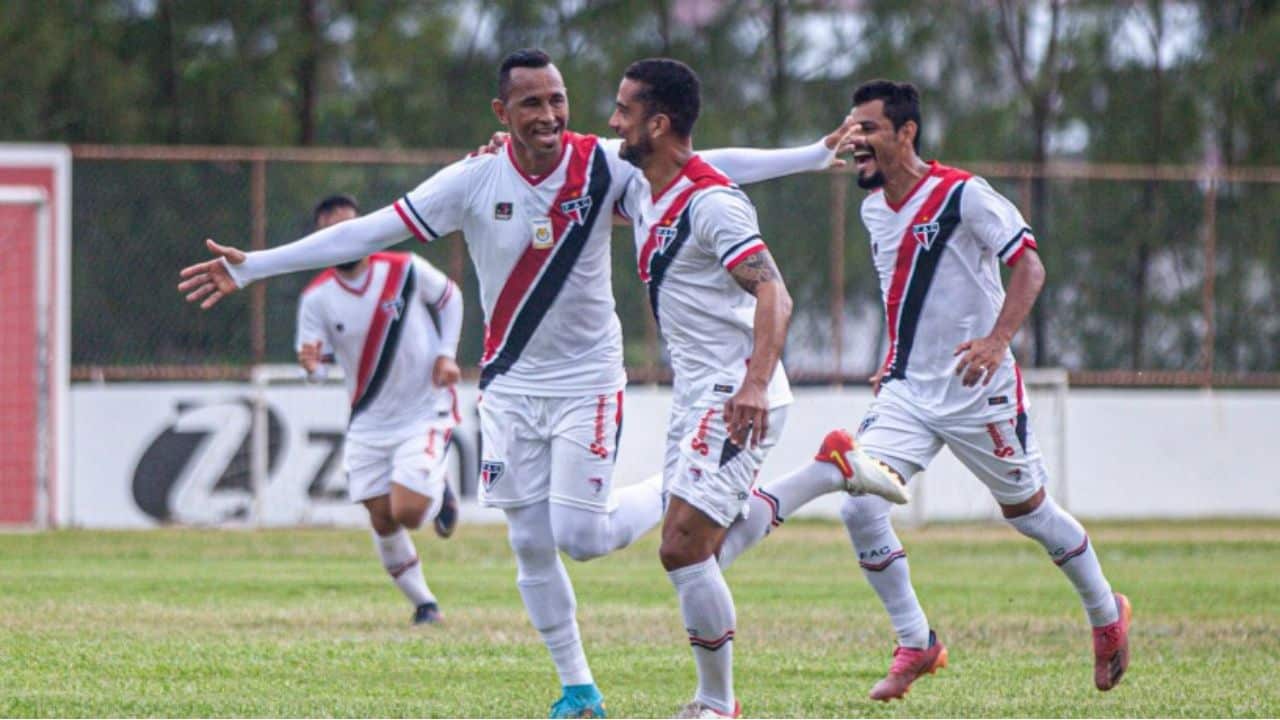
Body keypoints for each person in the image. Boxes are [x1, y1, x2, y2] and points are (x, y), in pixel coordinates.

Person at [178, 48, 853, 718]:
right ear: (503, 112)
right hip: (508, 386)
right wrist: (253, 267)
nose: (550, 114)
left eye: (558, 99)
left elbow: (693, 167)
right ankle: (579, 690)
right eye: (532, 103)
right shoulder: (471, 180)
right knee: (528, 542)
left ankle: (675, 489)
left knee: (583, 539)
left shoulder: (601, 165)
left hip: (588, 380)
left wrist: (808, 155)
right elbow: (369, 229)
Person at [607, 59, 910, 719]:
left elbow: (775, 289)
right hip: (700, 394)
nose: (613, 122)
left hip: (735, 394)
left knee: (682, 547)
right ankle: (828, 471)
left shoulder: (712, 203)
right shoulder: (645, 185)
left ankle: (716, 704)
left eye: (624, 110)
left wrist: (751, 383)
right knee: (705, 548)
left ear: (656, 123)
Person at [836, 79, 1131, 701]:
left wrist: (997, 341)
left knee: (1031, 516)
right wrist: (894, 359)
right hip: (910, 391)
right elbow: (907, 293)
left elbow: (1030, 265)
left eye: (866, 129)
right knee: (860, 502)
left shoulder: (962, 195)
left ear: (905, 133)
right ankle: (916, 640)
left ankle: (1107, 615)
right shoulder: (870, 210)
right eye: (851, 128)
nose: (853, 140)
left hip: (978, 389)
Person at [295, 193, 462, 625]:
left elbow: (451, 297)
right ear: (319, 239)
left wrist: (446, 353)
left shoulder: (404, 269)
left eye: (351, 227)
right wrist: (312, 368)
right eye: (333, 232)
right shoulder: (317, 299)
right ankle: (425, 605)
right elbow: (317, 364)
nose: (345, 238)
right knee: (383, 517)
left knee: (408, 509)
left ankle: (440, 493)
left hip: (423, 409)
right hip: (368, 420)